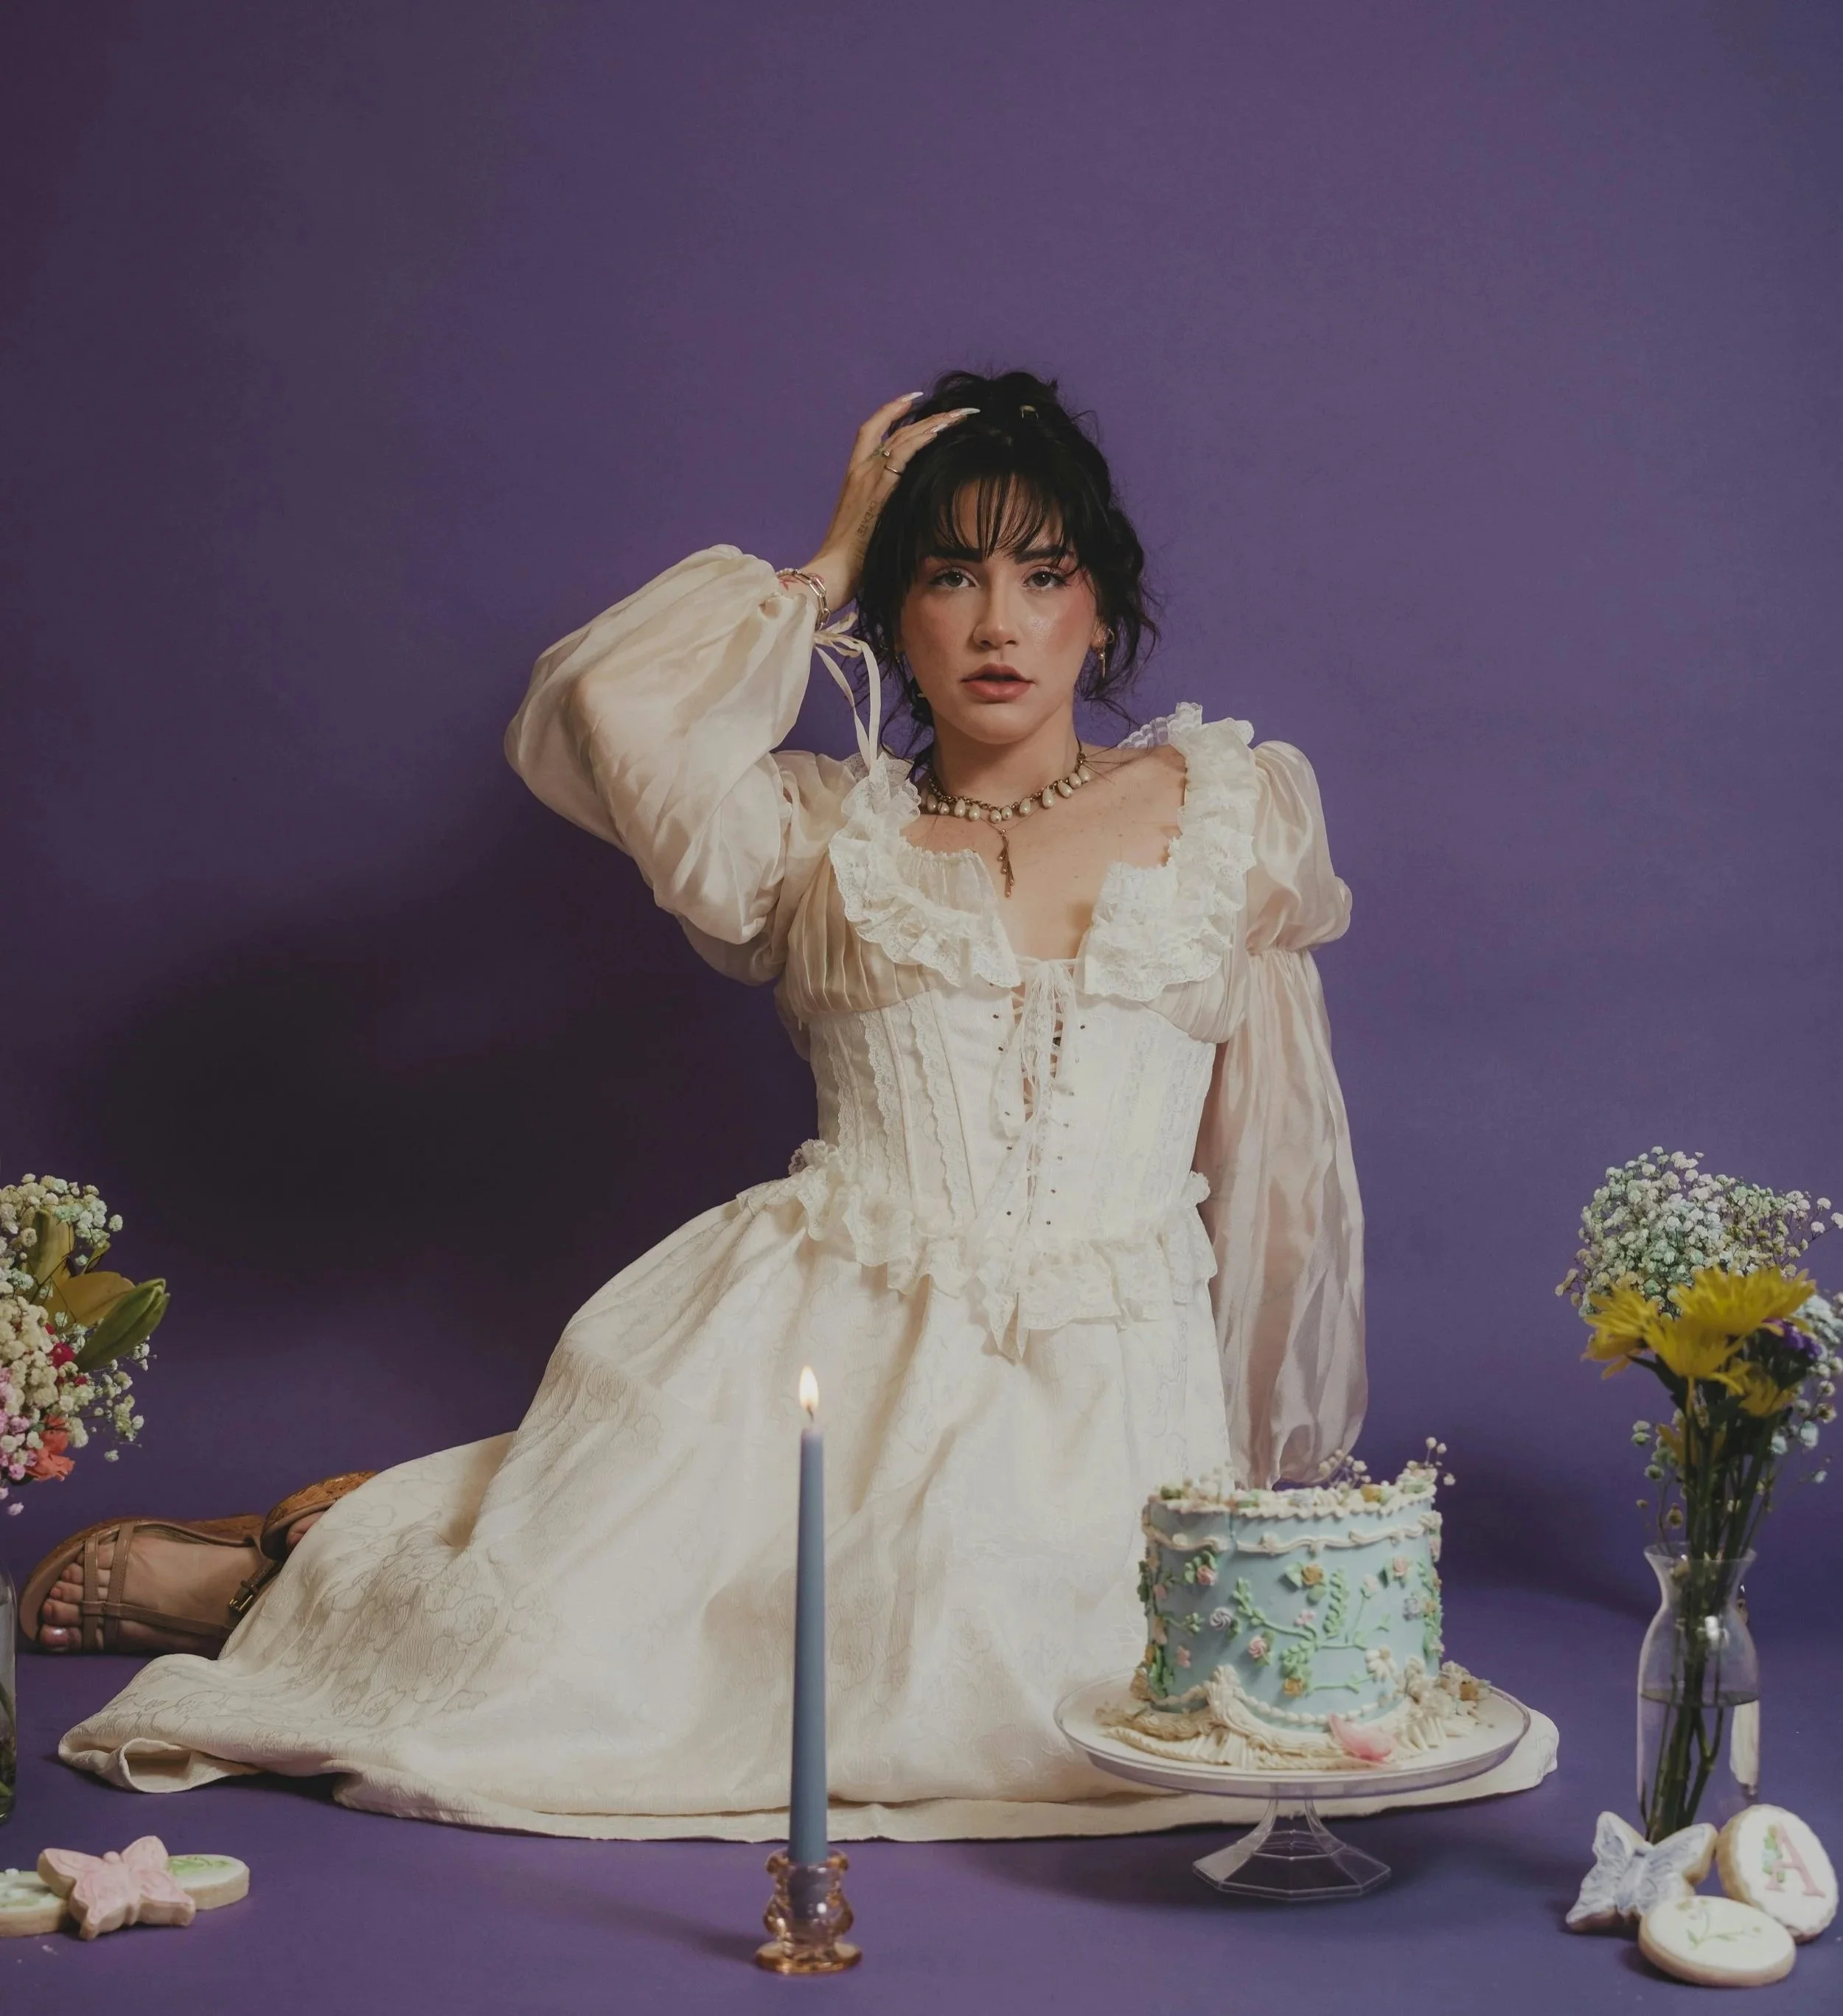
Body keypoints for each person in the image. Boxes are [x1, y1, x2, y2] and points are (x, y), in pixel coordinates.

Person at [29, 370, 1366, 1841]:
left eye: (1041, 577)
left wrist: (1264, 1494)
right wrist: (828, 555)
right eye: (946, 575)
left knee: (1060, 1710)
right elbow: (607, 702)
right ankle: (280, 1574)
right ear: (894, 618)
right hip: (817, 1358)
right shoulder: (807, 828)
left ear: (1099, 610)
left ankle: (343, 1543)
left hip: (1111, 1391)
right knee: (569, 1678)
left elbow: (1275, 1173)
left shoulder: (1231, 805)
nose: (996, 623)